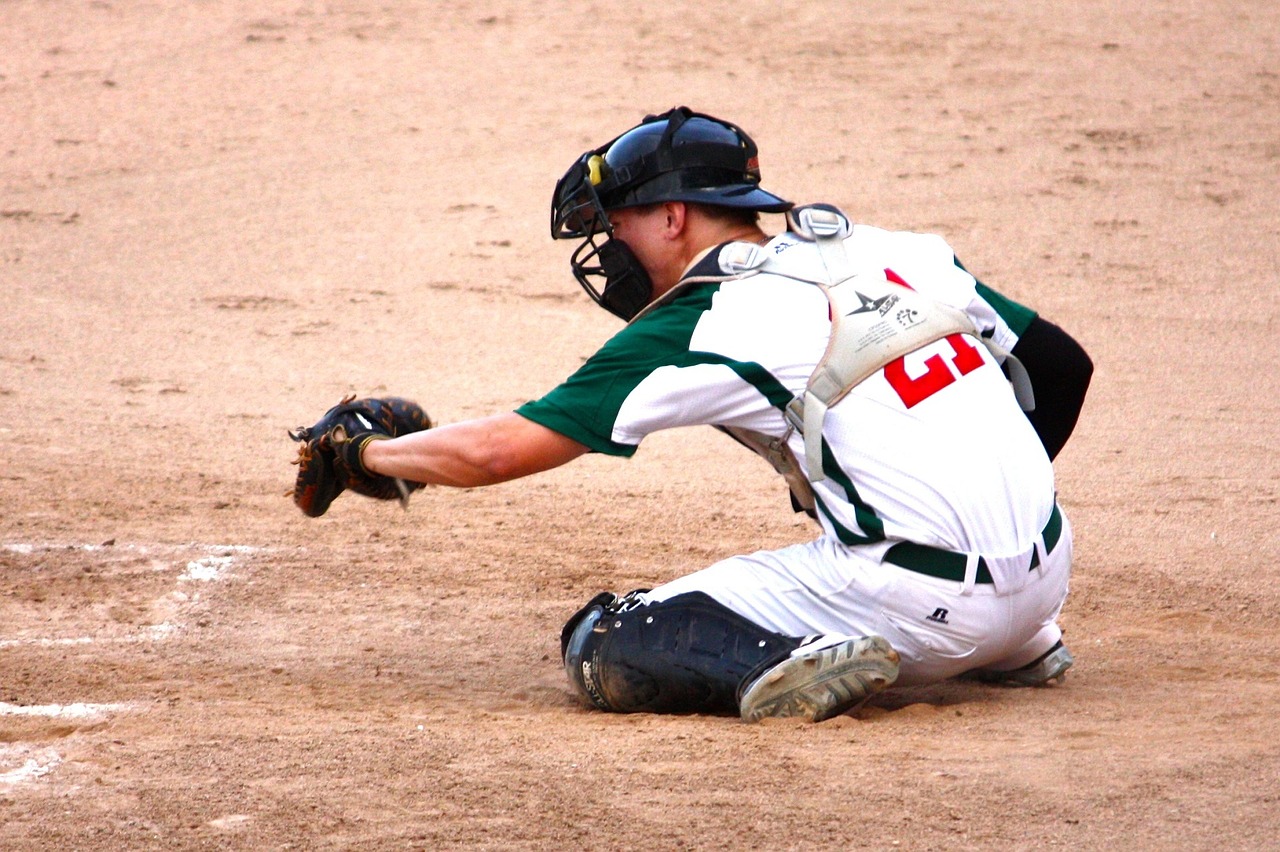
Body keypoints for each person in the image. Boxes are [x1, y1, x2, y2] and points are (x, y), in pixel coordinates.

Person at [356, 106, 1093, 722]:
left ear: (673, 217)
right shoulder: (895, 251)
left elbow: (497, 452)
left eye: (618, 224)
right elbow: (1061, 368)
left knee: (603, 639)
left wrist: (366, 453)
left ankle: (786, 662)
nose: (610, 247)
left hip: (918, 611)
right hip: (1045, 590)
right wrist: (985, 510)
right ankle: (1012, 639)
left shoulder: (702, 320)